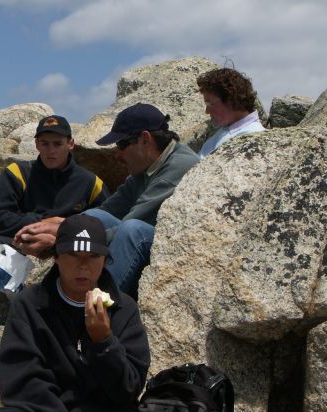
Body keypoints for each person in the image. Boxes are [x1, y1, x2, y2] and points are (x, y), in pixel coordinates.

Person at [0, 215, 182, 412]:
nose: (83, 267)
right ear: (57, 257)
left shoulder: (124, 309)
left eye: (93, 257)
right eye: (73, 256)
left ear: (105, 260)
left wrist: (103, 342)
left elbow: (128, 390)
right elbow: (24, 382)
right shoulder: (31, 304)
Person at [0, 115, 108, 329]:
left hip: (59, 243)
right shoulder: (18, 173)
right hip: (7, 239)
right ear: (36, 144)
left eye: (58, 144)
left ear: (70, 144)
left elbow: (104, 221)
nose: (51, 150)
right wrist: (38, 224)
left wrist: (57, 232)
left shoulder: (91, 183)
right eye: (45, 143)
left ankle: (12, 306)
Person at [14, 104, 199, 298]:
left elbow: (131, 222)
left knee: (131, 230)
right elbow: (108, 211)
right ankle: (47, 297)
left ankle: (92, 308)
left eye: (121, 145)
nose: (116, 154)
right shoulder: (147, 166)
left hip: (178, 249)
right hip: (151, 241)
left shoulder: (178, 167)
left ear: (145, 139)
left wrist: (61, 240)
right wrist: (63, 226)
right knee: (95, 216)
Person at [197, 67, 265, 158]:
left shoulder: (253, 137)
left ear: (230, 101)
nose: (207, 111)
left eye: (210, 103)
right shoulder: (226, 130)